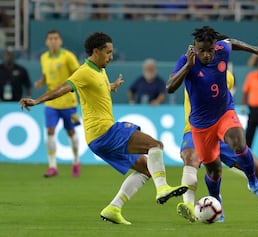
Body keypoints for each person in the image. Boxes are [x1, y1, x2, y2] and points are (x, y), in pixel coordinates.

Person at [20, 32, 187, 225]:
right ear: (95, 51)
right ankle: (163, 188)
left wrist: (112, 86)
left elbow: (98, 87)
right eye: (108, 52)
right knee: (155, 145)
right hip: (104, 131)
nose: (111, 56)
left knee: (145, 169)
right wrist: (37, 100)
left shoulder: (100, 70)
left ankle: (113, 209)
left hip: (97, 141)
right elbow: (63, 88)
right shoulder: (84, 72)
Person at [167, 26, 258, 222]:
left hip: (223, 114)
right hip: (200, 125)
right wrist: (187, 66)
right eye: (201, 51)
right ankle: (215, 200)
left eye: (210, 50)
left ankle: (255, 186)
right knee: (214, 170)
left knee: (240, 144)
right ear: (194, 48)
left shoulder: (223, 51)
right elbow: (170, 87)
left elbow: (232, 43)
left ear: (216, 47)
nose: (206, 55)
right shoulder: (186, 61)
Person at [35, 29, 81, 178]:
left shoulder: (68, 57)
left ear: (60, 41)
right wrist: (42, 81)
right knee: (50, 131)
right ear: (47, 42)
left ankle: (75, 160)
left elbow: (78, 73)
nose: (53, 41)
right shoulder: (43, 58)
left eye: (56, 38)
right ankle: (52, 166)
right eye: (50, 39)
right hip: (51, 103)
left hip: (69, 103)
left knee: (71, 132)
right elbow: (47, 74)